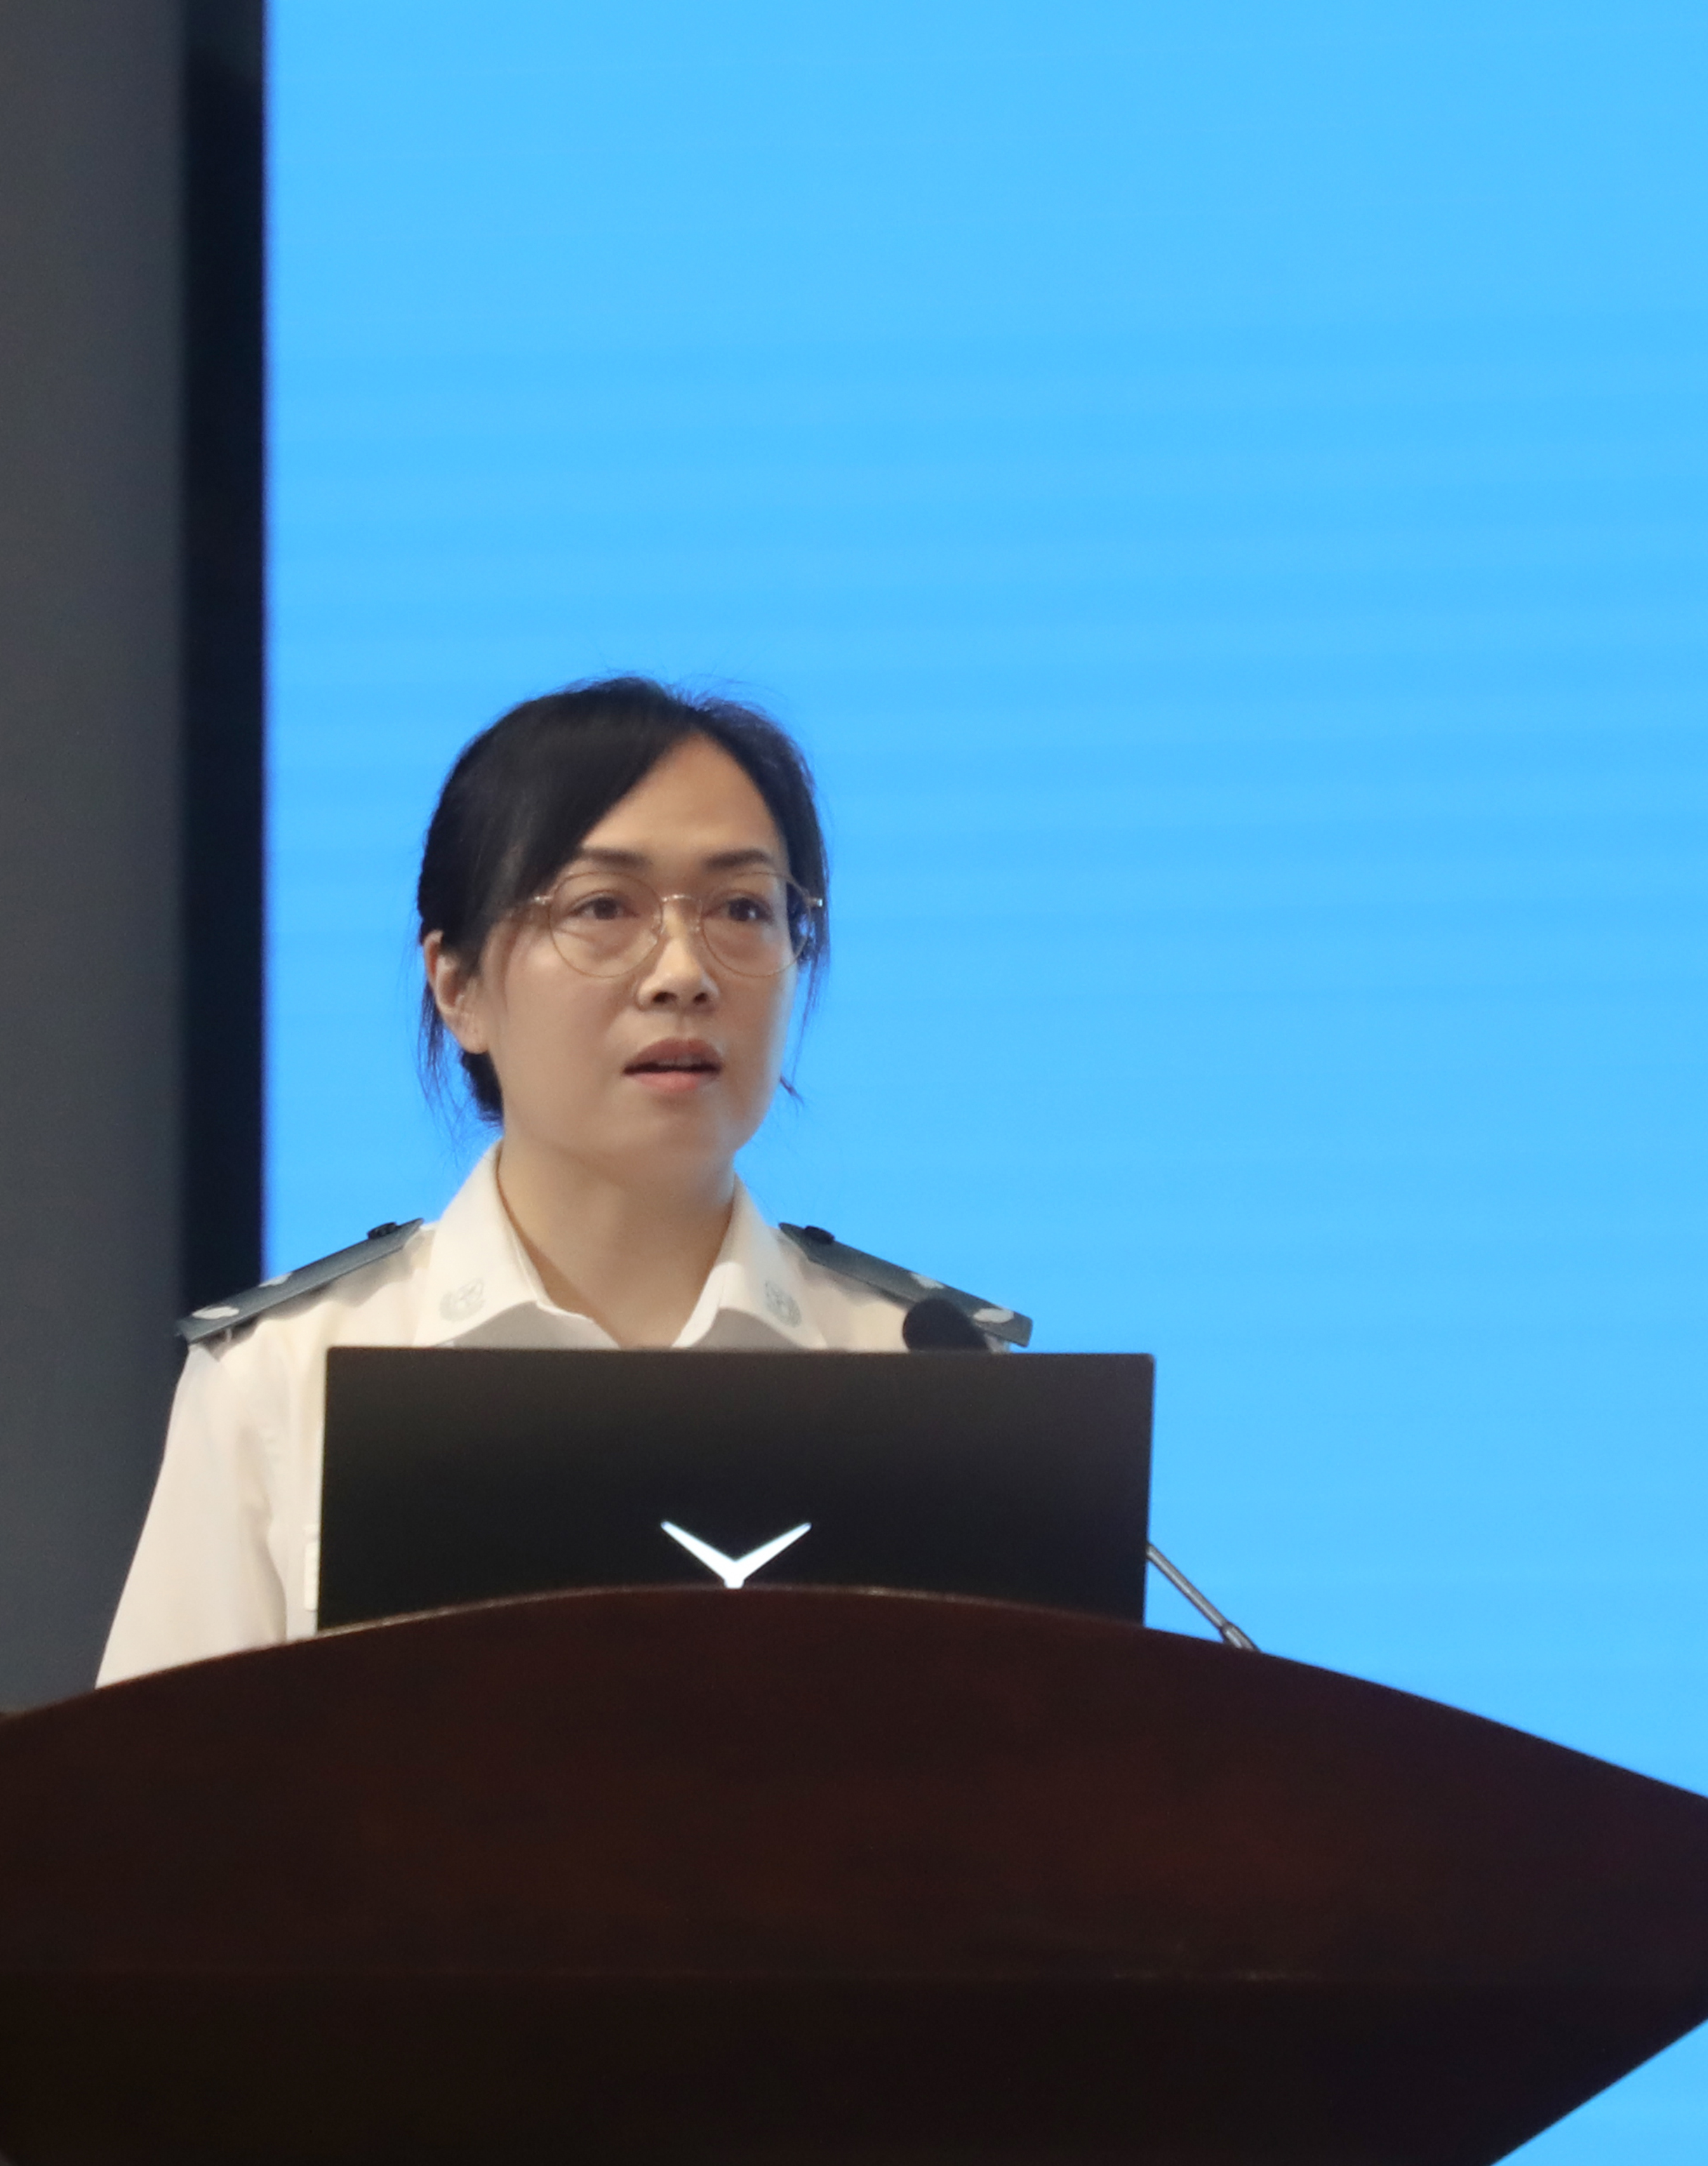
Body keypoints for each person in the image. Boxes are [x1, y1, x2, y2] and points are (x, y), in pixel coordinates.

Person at [95, 677, 1022, 1683]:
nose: (683, 973)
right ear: (457, 987)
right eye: (602, 907)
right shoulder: (284, 1375)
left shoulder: (928, 1375)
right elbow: (155, 1780)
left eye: (744, 908)